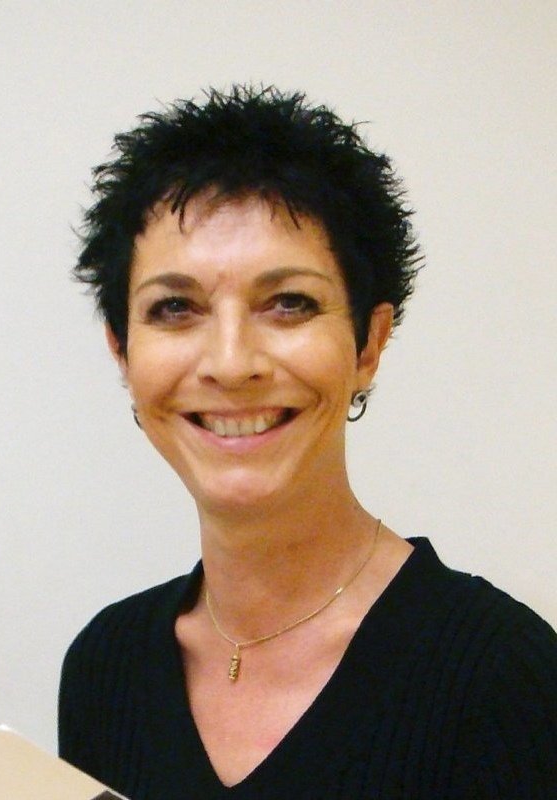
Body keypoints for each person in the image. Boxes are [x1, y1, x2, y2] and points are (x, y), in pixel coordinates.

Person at [59, 86, 557, 799]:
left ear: (368, 344)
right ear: (122, 350)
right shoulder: (104, 668)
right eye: (175, 308)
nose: (231, 362)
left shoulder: (502, 676)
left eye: (289, 303)